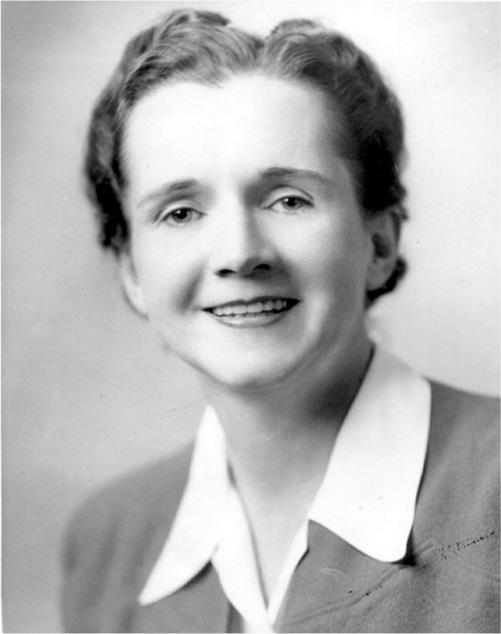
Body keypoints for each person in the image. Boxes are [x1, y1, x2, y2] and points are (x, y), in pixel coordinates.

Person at [62, 9, 499, 633]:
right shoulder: (106, 541)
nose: (240, 253)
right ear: (133, 271)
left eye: (288, 199)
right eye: (181, 212)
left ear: (378, 245)